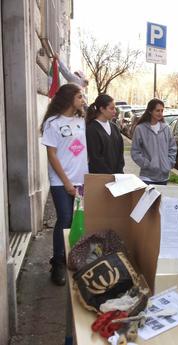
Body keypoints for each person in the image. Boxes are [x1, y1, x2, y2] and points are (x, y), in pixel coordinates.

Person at [40, 83, 88, 286]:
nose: (82, 100)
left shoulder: (81, 120)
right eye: (79, 97)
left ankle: (74, 258)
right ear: (69, 98)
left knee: (78, 220)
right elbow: (51, 155)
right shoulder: (53, 123)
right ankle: (57, 262)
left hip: (81, 179)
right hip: (61, 182)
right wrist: (67, 182)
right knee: (65, 218)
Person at [130, 99, 177, 185]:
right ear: (150, 111)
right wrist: (147, 164)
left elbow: (172, 148)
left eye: (162, 110)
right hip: (147, 177)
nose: (160, 113)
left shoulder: (166, 128)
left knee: (161, 199)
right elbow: (135, 151)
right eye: (157, 110)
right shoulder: (140, 129)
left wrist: (169, 163)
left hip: (164, 177)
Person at [85, 94, 124, 174]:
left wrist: (119, 172)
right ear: (102, 109)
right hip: (100, 177)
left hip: (116, 177)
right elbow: (95, 157)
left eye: (115, 108)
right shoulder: (91, 129)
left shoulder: (114, 127)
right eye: (111, 108)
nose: (115, 111)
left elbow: (120, 153)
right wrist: (109, 174)